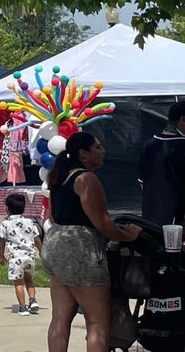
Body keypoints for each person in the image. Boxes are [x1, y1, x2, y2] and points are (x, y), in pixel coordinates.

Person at [42, 132, 141, 352]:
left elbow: (53, 217)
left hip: (56, 247)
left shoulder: (58, 178)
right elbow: (103, 224)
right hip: (81, 252)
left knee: (59, 318)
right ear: (83, 154)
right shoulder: (86, 179)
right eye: (97, 147)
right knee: (97, 323)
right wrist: (129, 235)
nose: (103, 151)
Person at [139, 102, 185, 225]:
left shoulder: (149, 144)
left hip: (151, 219)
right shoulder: (182, 147)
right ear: (183, 120)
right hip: (177, 222)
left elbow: (142, 184)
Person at [0, 193, 43, 316]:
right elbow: (36, 239)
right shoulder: (30, 222)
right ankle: (32, 300)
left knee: (18, 283)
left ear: (6, 208)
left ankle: (23, 307)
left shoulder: (5, 224)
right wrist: (41, 251)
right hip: (30, 256)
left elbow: (1, 241)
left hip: (16, 258)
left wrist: (1, 256)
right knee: (28, 279)